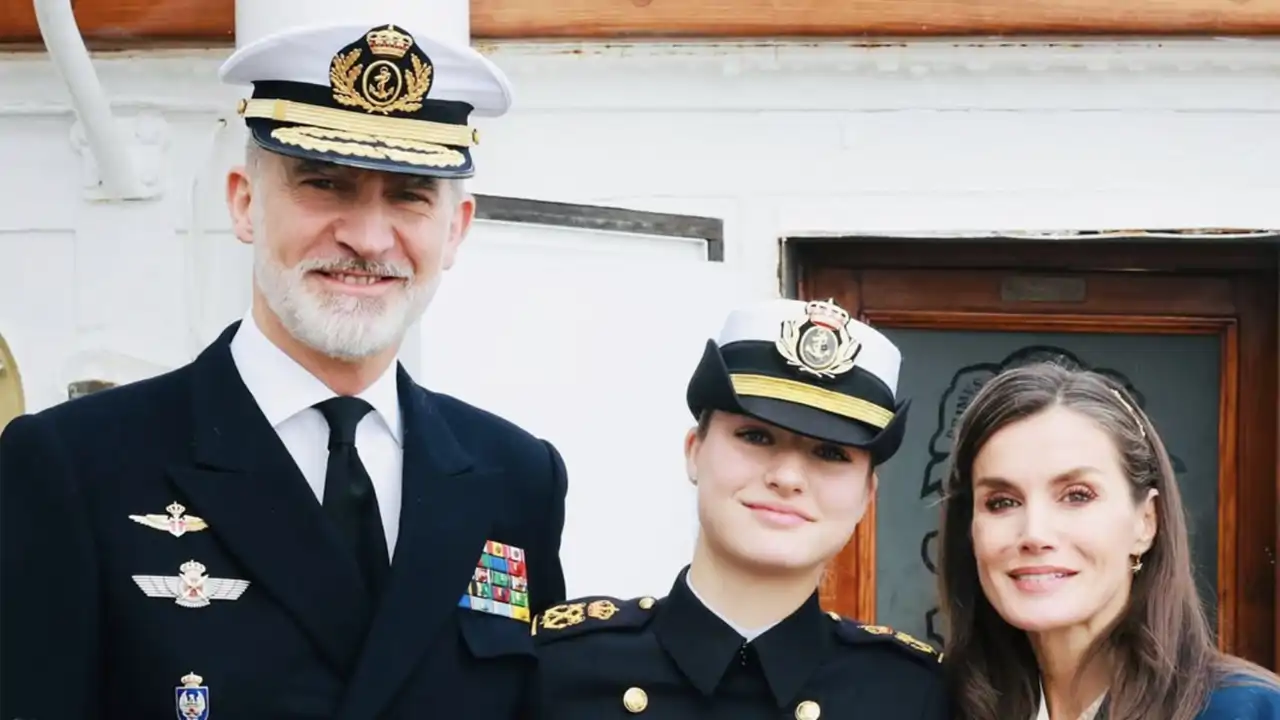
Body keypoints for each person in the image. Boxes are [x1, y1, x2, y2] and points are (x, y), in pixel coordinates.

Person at [0, 20, 568, 720]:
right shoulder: (75, 468)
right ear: (243, 202)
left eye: (410, 194)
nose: (366, 237)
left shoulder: (516, 480)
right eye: (324, 184)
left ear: (456, 229)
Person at [528, 298, 950, 719]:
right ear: (694, 451)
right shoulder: (556, 670)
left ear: (866, 496)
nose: (787, 478)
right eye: (756, 436)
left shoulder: (914, 696)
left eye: (831, 453)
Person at [935, 362, 1280, 720]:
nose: (1034, 533)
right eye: (1002, 502)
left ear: (1146, 522)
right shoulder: (934, 705)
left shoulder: (1247, 711)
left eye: (1077, 496)